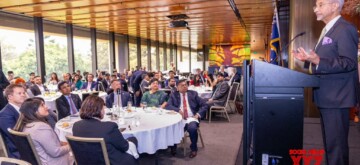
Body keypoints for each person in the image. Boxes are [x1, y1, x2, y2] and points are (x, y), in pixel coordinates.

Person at [292, 0, 359, 164]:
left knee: (336, 148)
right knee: (330, 146)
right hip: (328, 98)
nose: (316, 9)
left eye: (321, 4)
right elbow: (324, 62)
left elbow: (349, 62)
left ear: (335, 5)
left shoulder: (345, 29)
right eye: (316, 5)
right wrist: (308, 60)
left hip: (337, 98)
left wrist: (319, 60)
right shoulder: (327, 30)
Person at [73, 95, 139, 165]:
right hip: (109, 162)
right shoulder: (109, 127)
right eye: (103, 108)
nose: (104, 111)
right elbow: (124, 147)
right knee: (133, 139)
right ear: (99, 110)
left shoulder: (76, 126)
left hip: (85, 161)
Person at [13, 98, 73, 165]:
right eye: (42, 105)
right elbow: (56, 152)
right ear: (34, 111)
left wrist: (63, 143)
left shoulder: (26, 125)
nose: (46, 107)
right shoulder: (40, 128)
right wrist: (71, 144)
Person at [165, 79, 208, 158]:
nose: (185, 86)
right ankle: (173, 147)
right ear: (177, 88)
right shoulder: (174, 95)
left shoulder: (193, 94)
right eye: (182, 85)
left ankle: (194, 149)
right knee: (171, 126)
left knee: (192, 128)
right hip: (179, 118)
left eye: (185, 85)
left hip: (191, 118)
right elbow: (168, 106)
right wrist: (178, 110)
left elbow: (205, 105)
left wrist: (198, 114)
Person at [0, 84, 27, 158]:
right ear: (10, 97)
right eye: (19, 93)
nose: (23, 95)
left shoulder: (23, 109)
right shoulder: (4, 114)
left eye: (24, 93)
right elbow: (15, 137)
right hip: (20, 150)